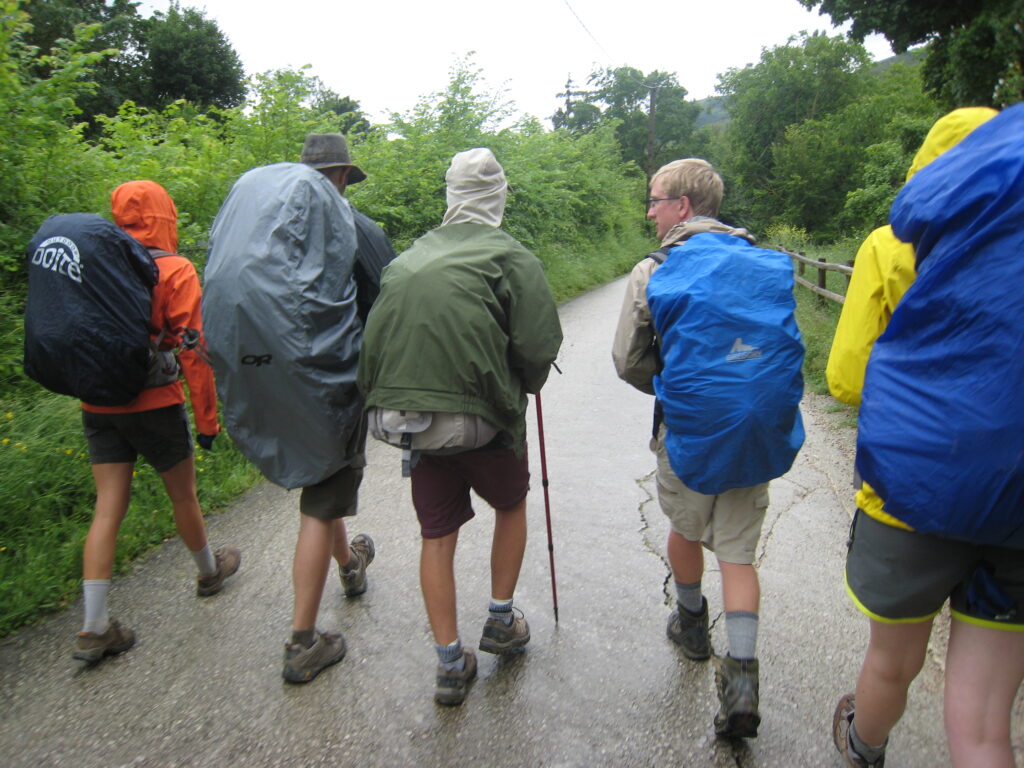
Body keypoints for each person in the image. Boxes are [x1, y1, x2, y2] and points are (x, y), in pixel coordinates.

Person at [826, 108, 1016, 768]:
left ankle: (863, 746)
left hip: (910, 489)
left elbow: (845, 378)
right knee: (987, 718)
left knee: (891, 662)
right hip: (1019, 497)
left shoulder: (889, 244)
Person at [357, 148, 562, 706]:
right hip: (486, 421)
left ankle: (449, 663)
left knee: (436, 535)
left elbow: (372, 347)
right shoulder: (511, 257)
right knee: (512, 506)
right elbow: (538, 346)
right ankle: (500, 619)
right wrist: (529, 380)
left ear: (450, 197)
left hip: (412, 425)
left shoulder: (407, 260)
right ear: (498, 198)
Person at [612, 159, 779, 738]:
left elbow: (628, 361)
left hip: (687, 428)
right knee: (737, 554)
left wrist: (676, 385)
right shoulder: (760, 258)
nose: (650, 211)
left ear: (683, 206)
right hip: (754, 427)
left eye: (655, 200)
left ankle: (689, 625)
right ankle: (743, 679)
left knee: (685, 529)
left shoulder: (654, 269)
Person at [204, 150, 383, 685]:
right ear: (340, 176)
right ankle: (303, 643)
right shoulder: (352, 225)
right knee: (323, 493)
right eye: (345, 178)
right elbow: (383, 296)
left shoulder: (262, 224)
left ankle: (350, 566)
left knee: (321, 478)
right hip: (320, 377)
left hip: (252, 362)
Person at [74, 180, 240, 664]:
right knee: (182, 494)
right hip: (155, 401)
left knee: (108, 507)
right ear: (165, 216)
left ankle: (93, 625)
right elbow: (194, 351)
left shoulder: (94, 264)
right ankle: (209, 572)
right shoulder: (173, 268)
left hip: (98, 402)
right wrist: (208, 421)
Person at [301, 133, 397, 322]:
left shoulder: (276, 224)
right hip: (345, 347)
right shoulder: (363, 230)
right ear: (344, 176)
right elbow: (390, 299)